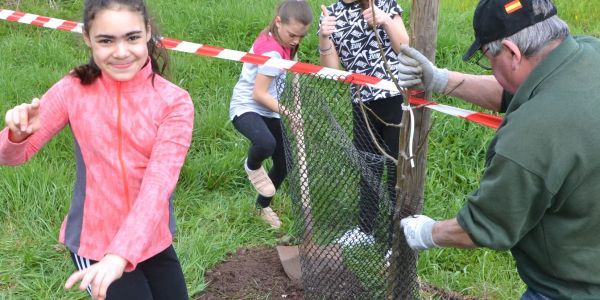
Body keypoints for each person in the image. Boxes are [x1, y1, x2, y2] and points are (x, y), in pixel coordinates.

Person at [397, 0, 600, 298]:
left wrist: (426, 233)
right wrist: (441, 80)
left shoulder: (532, 136)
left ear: (512, 52)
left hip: (572, 289)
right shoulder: (587, 52)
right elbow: (519, 90)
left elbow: (485, 224)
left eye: (487, 59)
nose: (490, 67)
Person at [0, 0, 194, 298]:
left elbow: (158, 184)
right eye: (106, 40)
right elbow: (11, 157)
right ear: (88, 40)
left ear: (148, 33)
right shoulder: (73, 89)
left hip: (151, 238)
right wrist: (15, 136)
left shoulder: (174, 102)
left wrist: (122, 253)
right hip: (94, 243)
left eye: (132, 37)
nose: (120, 52)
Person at [318, 0, 410, 247]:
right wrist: (325, 37)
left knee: (396, 168)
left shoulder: (383, 3)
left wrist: (385, 20)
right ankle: (365, 229)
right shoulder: (333, 13)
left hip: (395, 97)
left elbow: (405, 47)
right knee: (367, 165)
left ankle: (396, 238)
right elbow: (333, 73)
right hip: (361, 101)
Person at [229, 0, 313, 229]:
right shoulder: (271, 53)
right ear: (278, 22)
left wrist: (293, 56)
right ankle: (252, 166)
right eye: (293, 35)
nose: (296, 41)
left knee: (285, 162)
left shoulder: (280, 38)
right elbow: (258, 93)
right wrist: (290, 114)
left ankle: (262, 206)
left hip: (268, 110)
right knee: (266, 143)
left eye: (301, 37)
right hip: (247, 107)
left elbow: (290, 51)